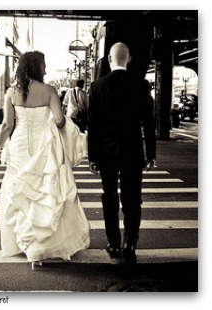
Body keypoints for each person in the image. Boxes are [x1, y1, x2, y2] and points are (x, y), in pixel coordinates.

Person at [0, 51, 90, 270]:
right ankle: (39, 248)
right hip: (43, 149)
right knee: (43, 195)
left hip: (19, 147)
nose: (46, 68)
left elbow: (7, 125)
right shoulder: (50, 91)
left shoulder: (12, 93)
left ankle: (27, 247)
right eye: (43, 64)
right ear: (36, 67)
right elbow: (60, 121)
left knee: (22, 194)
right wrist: (57, 124)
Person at [87, 42, 156, 266]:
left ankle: (114, 243)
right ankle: (130, 243)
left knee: (109, 196)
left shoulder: (97, 86)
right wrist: (151, 154)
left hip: (107, 151)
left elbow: (93, 126)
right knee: (132, 198)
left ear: (109, 59)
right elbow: (148, 123)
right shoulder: (141, 85)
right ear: (129, 59)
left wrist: (93, 156)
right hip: (132, 151)